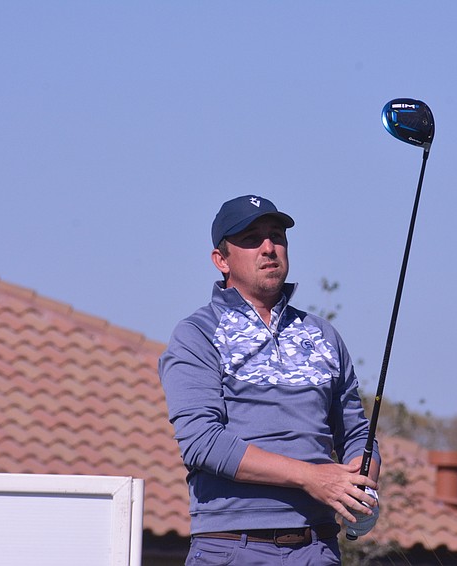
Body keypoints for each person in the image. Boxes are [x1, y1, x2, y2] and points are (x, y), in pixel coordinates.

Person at [159, 195, 381, 565]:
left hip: (318, 548)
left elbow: (357, 432)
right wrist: (312, 478)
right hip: (230, 547)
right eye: (250, 238)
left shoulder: (322, 334)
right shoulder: (196, 334)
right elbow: (202, 443)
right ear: (221, 260)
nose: (268, 248)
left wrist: (360, 485)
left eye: (276, 236)